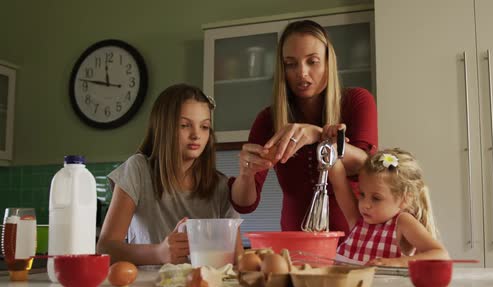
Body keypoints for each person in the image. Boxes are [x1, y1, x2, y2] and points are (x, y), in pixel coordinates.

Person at [229, 20, 378, 235]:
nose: (302, 72)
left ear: (328, 62)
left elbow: (368, 168)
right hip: (295, 244)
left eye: (312, 61)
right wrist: (245, 174)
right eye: (291, 64)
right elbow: (244, 204)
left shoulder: (357, 101)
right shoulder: (268, 120)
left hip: (354, 241)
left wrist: (316, 134)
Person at [97, 84, 241, 265]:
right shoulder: (137, 170)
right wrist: (158, 253)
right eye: (184, 125)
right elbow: (105, 248)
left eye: (204, 126)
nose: (196, 135)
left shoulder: (222, 185)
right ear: (164, 127)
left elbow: (237, 259)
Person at [324, 127, 448, 267]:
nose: (365, 204)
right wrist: (331, 146)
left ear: (405, 199)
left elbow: (440, 255)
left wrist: (395, 262)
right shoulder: (359, 218)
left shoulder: (402, 222)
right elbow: (339, 181)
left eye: (376, 198)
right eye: (362, 194)